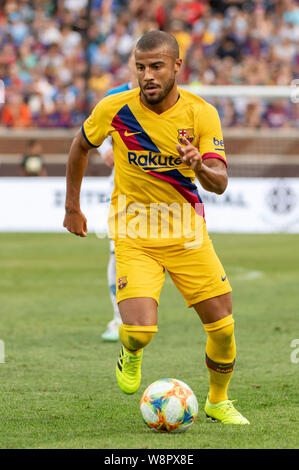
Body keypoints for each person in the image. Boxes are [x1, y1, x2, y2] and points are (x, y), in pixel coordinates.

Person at [63, 30, 249, 425]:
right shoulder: (115, 108)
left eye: (157, 67)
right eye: (141, 67)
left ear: (177, 66)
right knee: (140, 331)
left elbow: (220, 183)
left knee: (223, 328)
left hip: (187, 235)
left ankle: (218, 401)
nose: (147, 75)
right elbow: (80, 146)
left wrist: (199, 165)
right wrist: (72, 208)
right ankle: (131, 351)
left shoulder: (201, 113)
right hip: (134, 234)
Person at [98, 50, 139, 342]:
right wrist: (105, 150)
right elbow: (93, 133)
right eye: (137, 63)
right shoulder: (114, 96)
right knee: (118, 254)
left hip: (164, 194)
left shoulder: (168, 97)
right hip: (123, 193)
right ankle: (118, 319)